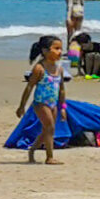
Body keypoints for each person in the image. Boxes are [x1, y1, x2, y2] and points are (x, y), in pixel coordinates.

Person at [16, 35, 67, 165]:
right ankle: (49, 157)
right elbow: (29, 87)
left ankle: (32, 149)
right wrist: (22, 106)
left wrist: (63, 108)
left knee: (47, 130)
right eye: (56, 48)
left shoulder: (59, 69)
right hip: (40, 103)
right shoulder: (39, 68)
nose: (60, 52)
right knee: (49, 127)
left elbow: (61, 89)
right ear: (45, 51)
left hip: (53, 103)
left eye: (61, 48)